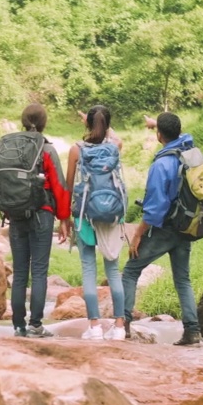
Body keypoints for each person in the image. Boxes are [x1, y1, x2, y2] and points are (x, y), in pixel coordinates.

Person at [121, 111, 202, 346]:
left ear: (159, 136)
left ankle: (123, 325)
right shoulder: (189, 150)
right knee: (183, 279)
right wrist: (157, 123)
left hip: (164, 229)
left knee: (130, 271)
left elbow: (155, 209)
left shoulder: (161, 165)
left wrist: (137, 234)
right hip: (186, 226)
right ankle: (192, 331)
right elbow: (178, 132)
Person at [6, 103, 72, 338]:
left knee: (20, 271)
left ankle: (17, 326)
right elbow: (59, 185)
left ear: (23, 121)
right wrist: (64, 218)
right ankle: (35, 325)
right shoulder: (46, 149)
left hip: (15, 214)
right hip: (42, 213)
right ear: (44, 123)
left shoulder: (11, 148)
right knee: (39, 270)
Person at [67, 105, 127, 341]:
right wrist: (100, 124)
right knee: (113, 270)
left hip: (85, 214)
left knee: (89, 269)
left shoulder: (76, 150)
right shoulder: (115, 147)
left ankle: (94, 327)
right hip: (112, 215)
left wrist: (65, 217)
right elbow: (115, 136)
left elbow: (69, 185)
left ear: (87, 124)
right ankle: (120, 327)